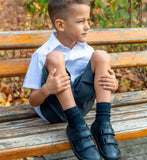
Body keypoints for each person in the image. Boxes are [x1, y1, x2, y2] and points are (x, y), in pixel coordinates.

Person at [23, 0, 121, 159]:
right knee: (56, 58)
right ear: (61, 25)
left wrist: (112, 84)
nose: (87, 26)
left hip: (82, 108)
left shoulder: (88, 51)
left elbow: (100, 82)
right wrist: (47, 89)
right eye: (81, 21)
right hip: (54, 112)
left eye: (88, 20)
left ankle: (102, 123)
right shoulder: (43, 54)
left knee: (101, 55)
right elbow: (33, 101)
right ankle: (76, 126)